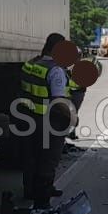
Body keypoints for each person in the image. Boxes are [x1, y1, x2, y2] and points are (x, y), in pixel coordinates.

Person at [18, 32, 71, 205]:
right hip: (47, 122)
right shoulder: (55, 70)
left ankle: (30, 192)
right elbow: (58, 101)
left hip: (26, 118)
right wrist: (72, 117)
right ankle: (42, 201)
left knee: (30, 157)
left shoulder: (31, 64)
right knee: (48, 161)